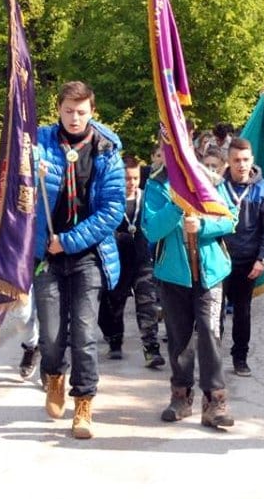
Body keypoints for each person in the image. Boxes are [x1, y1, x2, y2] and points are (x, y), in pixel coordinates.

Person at [33, 80, 125, 439]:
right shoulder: (39, 143)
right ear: (58, 109)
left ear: (92, 112)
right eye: (68, 111)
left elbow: (113, 210)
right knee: (51, 336)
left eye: (81, 112)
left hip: (88, 255)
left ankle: (84, 403)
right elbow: (18, 189)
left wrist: (68, 242)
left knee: (85, 334)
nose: (74, 118)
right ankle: (54, 375)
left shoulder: (107, 150)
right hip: (48, 256)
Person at [142, 151, 238, 429]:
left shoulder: (209, 180)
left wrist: (203, 225)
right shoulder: (156, 184)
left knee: (209, 333)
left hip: (210, 273)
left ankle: (215, 400)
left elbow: (230, 219)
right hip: (173, 274)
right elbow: (151, 229)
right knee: (178, 336)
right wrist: (177, 204)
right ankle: (181, 397)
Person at [217, 138, 264, 377]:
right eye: (236, 160)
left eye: (245, 160)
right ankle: (212, 360)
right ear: (228, 161)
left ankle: (240, 358)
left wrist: (261, 258)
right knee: (214, 313)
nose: (241, 165)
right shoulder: (217, 187)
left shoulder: (263, 189)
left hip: (247, 261)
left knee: (242, 312)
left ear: (252, 160)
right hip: (219, 260)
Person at [97, 155, 165, 368]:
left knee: (147, 303)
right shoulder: (111, 199)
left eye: (135, 178)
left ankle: (151, 348)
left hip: (142, 259)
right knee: (113, 303)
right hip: (117, 261)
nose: (131, 182)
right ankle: (115, 340)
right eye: (127, 178)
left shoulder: (146, 198)